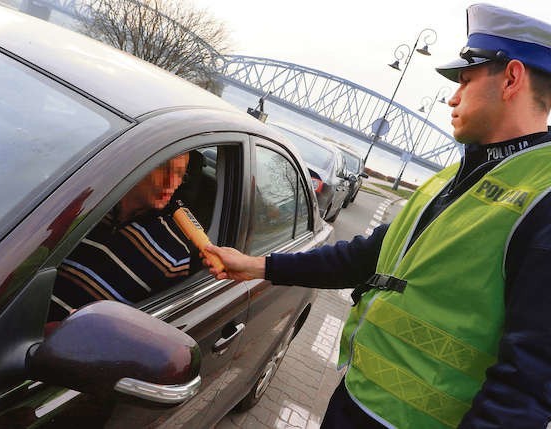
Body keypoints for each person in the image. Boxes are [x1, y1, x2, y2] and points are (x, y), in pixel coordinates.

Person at [203, 4, 551, 428]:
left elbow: (528, 382)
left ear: (512, 78)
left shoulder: (543, 198)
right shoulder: (457, 175)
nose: (452, 97)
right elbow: (367, 256)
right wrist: (256, 266)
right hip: (356, 400)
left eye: (465, 80)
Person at [49, 152, 202, 319]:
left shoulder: (174, 256)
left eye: (180, 175)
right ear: (136, 164)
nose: (172, 183)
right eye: (163, 169)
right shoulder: (83, 203)